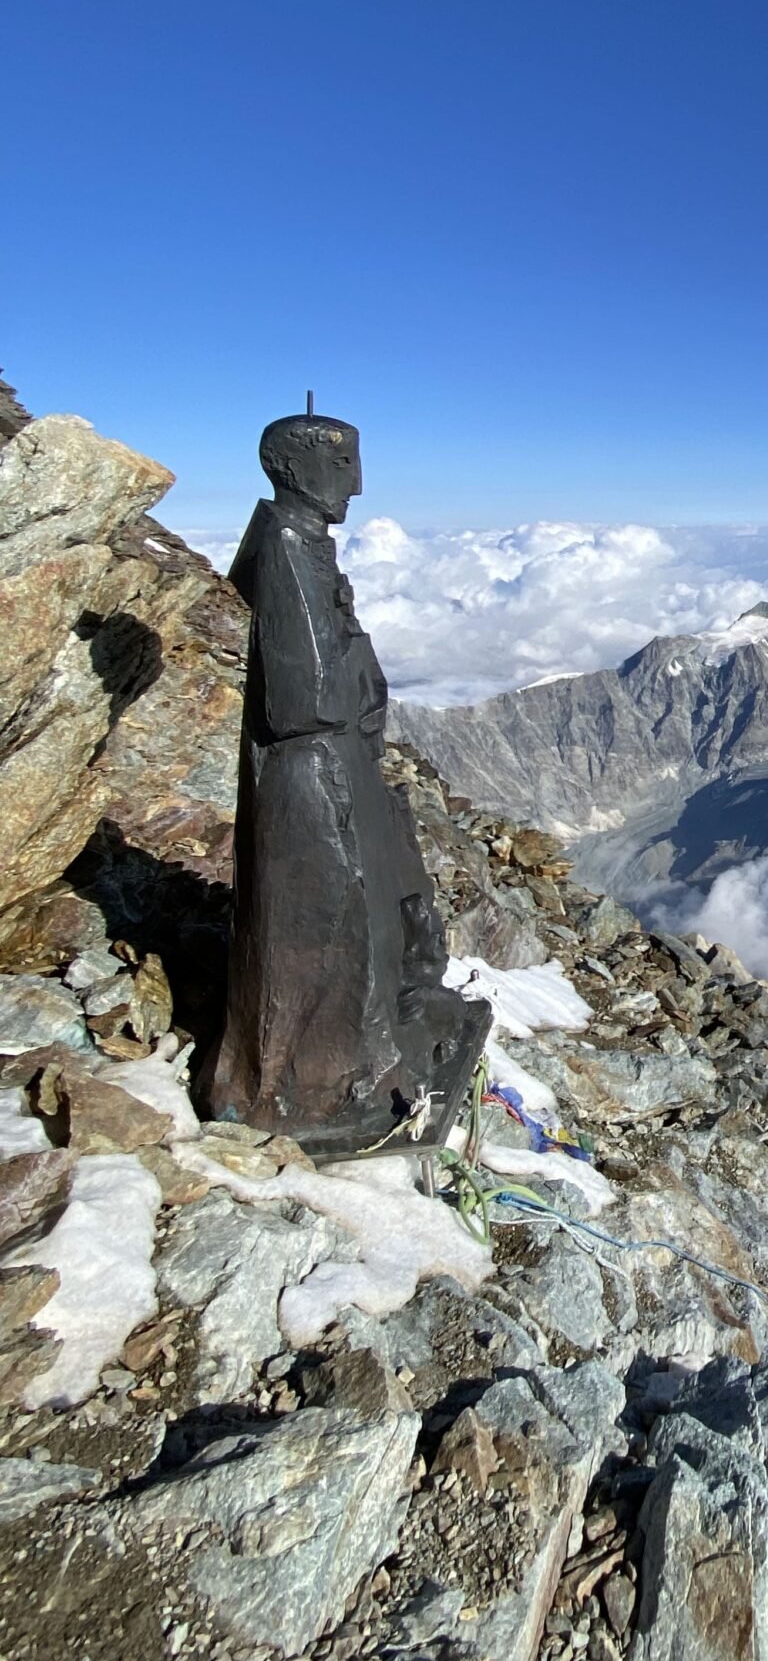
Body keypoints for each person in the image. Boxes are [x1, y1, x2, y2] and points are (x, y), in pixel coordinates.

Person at [203, 405, 486, 1153]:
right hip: (312, 776)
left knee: (384, 896)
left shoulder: (303, 547)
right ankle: (325, 1089)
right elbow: (303, 699)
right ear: (292, 466)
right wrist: (360, 689)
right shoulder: (290, 553)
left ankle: (385, 1033)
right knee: (337, 922)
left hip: (340, 766)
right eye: (342, 464)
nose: (356, 485)